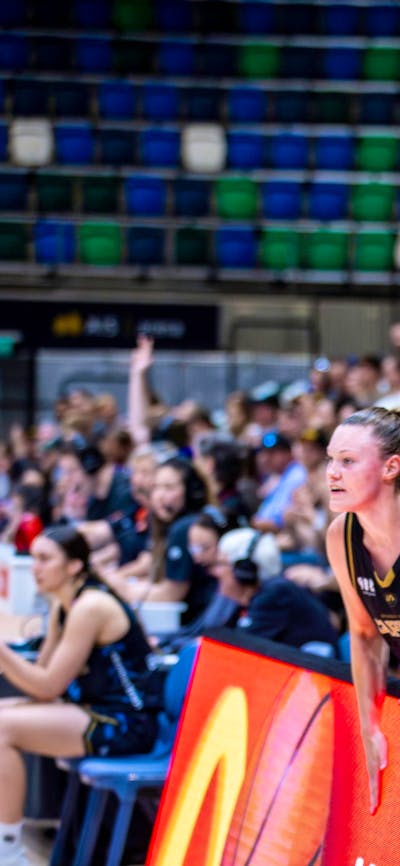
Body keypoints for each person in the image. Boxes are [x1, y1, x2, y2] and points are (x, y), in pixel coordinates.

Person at [0, 525, 164, 866]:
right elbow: (39, 685)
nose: (36, 568)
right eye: (33, 558)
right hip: (96, 711)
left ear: (74, 565)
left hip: (127, 722)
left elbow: (48, 686)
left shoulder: (90, 606)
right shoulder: (64, 606)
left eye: (45, 559)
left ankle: (9, 851)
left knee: (2, 728)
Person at [325, 406, 400, 816]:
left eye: (348, 461)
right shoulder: (341, 536)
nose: (332, 472)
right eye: (331, 460)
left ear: (391, 468)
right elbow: (365, 634)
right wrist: (370, 726)